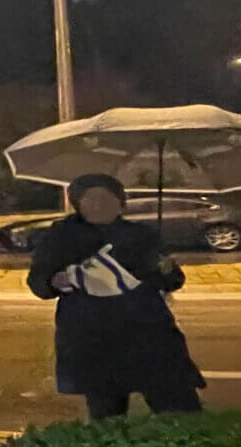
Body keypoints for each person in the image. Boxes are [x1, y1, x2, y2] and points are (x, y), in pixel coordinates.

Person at [26, 173, 204, 419]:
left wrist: (167, 269)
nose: (99, 204)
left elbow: (172, 281)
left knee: (179, 410)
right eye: (90, 198)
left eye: (106, 198)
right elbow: (38, 282)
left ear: (121, 203)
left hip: (150, 336)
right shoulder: (60, 238)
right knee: (107, 416)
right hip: (94, 339)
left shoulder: (143, 235)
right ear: (78, 204)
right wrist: (56, 281)